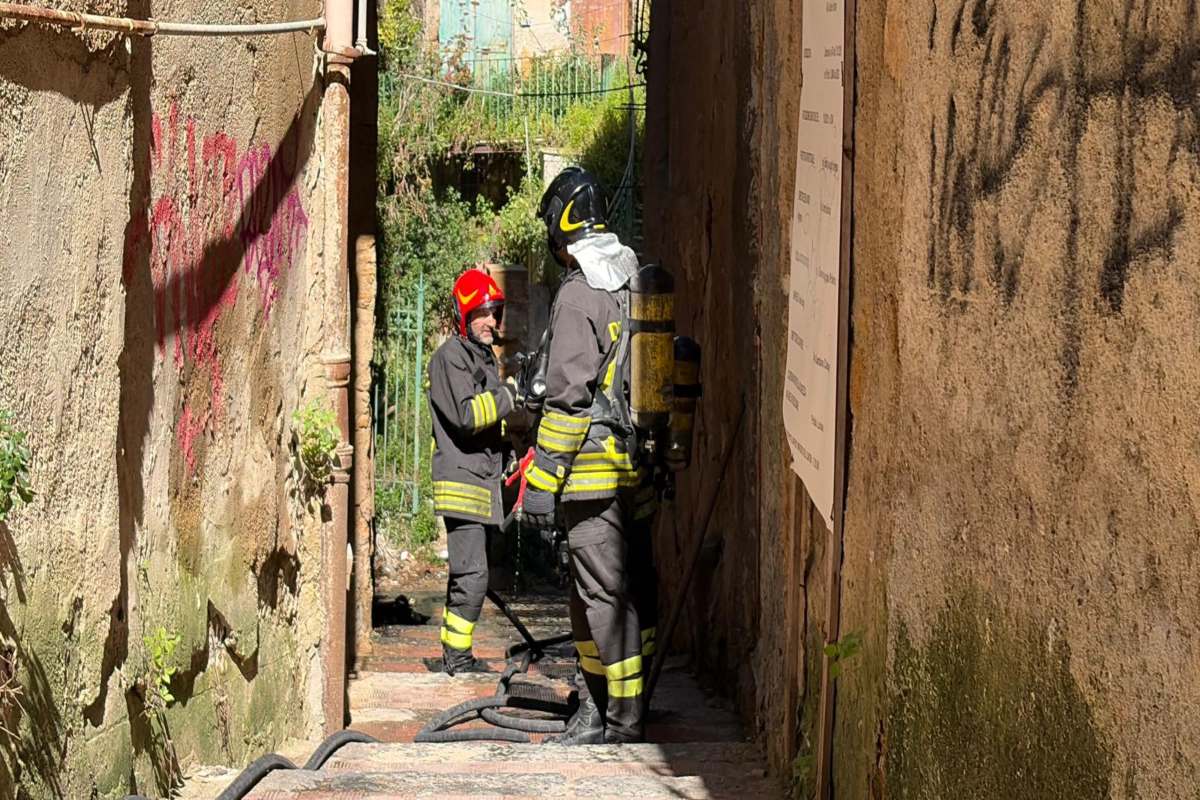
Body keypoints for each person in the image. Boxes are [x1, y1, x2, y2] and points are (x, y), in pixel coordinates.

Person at [521, 167, 652, 744]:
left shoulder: (579, 294)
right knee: (623, 589)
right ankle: (603, 707)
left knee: (598, 595)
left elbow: (569, 400)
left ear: (564, 224)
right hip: (632, 473)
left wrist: (541, 485)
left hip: (590, 479)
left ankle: (620, 719)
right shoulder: (630, 279)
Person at [428, 268, 517, 675]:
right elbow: (466, 415)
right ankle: (459, 660)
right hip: (462, 482)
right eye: (482, 313)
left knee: (468, 575)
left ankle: (452, 652)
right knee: (473, 575)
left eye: (495, 312)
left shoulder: (481, 357)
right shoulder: (449, 358)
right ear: (464, 316)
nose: (492, 322)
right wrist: (509, 396)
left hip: (480, 481)